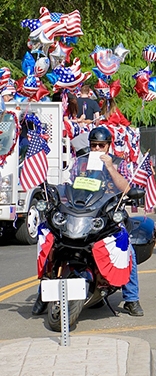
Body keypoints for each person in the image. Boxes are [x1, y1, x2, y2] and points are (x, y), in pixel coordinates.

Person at [32, 127, 144, 317]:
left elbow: (126, 189)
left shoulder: (118, 163)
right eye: (94, 145)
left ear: (108, 146)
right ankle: (43, 292)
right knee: (52, 242)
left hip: (107, 214)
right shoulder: (80, 163)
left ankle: (131, 298)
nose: (97, 149)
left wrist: (109, 167)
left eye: (101, 145)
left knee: (126, 250)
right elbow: (69, 185)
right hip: (82, 213)